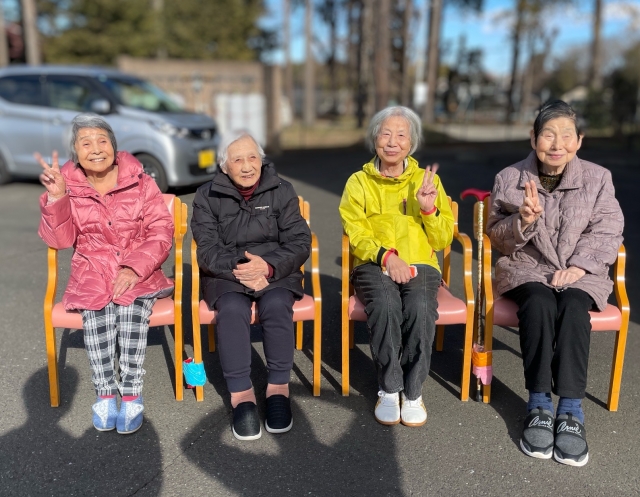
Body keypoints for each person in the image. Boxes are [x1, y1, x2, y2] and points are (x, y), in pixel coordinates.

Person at [487, 100, 624, 467]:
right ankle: (539, 405)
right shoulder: (509, 177)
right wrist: (523, 221)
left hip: (582, 271)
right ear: (534, 139)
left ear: (579, 141)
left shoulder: (598, 178)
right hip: (527, 268)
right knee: (540, 302)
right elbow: (496, 237)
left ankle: (571, 410)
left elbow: (608, 229)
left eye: (566, 136)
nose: (557, 144)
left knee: (575, 307)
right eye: (548, 135)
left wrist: (579, 267)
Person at [38, 113, 174, 435]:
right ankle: (105, 393)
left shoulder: (141, 181)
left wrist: (133, 268)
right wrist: (57, 198)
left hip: (140, 270)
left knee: (129, 310)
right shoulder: (66, 185)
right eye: (86, 143)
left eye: (102, 141)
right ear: (75, 152)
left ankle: (131, 393)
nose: (96, 149)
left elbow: (161, 230)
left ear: (114, 147)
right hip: (92, 272)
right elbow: (60, 240)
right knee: (97, 315)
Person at [191, 131, 311, 441]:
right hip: (226, 272)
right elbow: (206, 249)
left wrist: (267, 267)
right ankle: (241, 394)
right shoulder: (206, 195)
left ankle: (278, 389)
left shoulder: (282, 190)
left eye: (252, 157)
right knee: (232, 308)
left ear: (261, 160)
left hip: (275, 270)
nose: (247, 166)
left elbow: (299, 241)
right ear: (224, 166)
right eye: (237, 160)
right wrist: (243, 269)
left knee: (277, 304)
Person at [339, 106, 454, 427]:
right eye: (385, 133)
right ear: (374, 138)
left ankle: (413, 392)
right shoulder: (358, 182)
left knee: (419, 307)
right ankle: (389, 388)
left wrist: (429, 210)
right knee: (386, 305)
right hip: (374, 262)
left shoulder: (427, 181)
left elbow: (443, 238)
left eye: (401, 135)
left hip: (421, 263)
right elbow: (355, 232)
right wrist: (387, 257)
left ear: (411, 142)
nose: (392, 142)